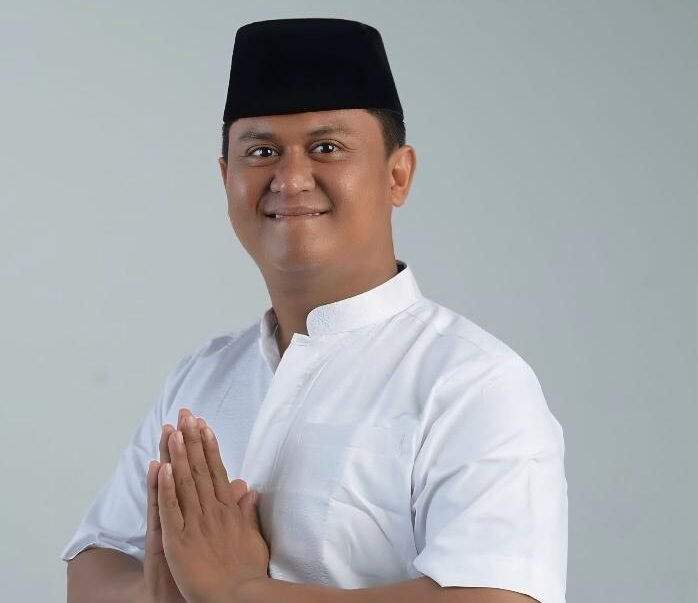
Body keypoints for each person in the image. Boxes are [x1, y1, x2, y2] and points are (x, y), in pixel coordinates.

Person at [62, 17, 568, 603]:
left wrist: (235, 592)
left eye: (327, 148)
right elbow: (94, 563)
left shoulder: (471, 383)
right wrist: (161, 594)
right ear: (226, 178)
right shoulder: (203, 378)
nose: (291, 178)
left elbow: (497, 597)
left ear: (397, 174)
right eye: (261, 151)